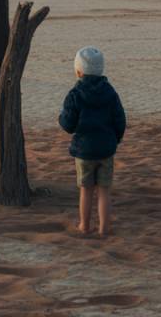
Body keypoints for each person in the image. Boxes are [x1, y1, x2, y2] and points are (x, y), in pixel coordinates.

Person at [59, 46, 126, 237]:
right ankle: (104, 229)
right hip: (106, 149)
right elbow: (119, 119)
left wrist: (61, 118)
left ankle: (84, 225)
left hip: (84, 151)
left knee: (86, 190)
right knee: (104, 191)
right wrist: (116, 139)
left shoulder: (75, 94)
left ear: (78, 71)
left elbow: (68, 124)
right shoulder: (111, 93)